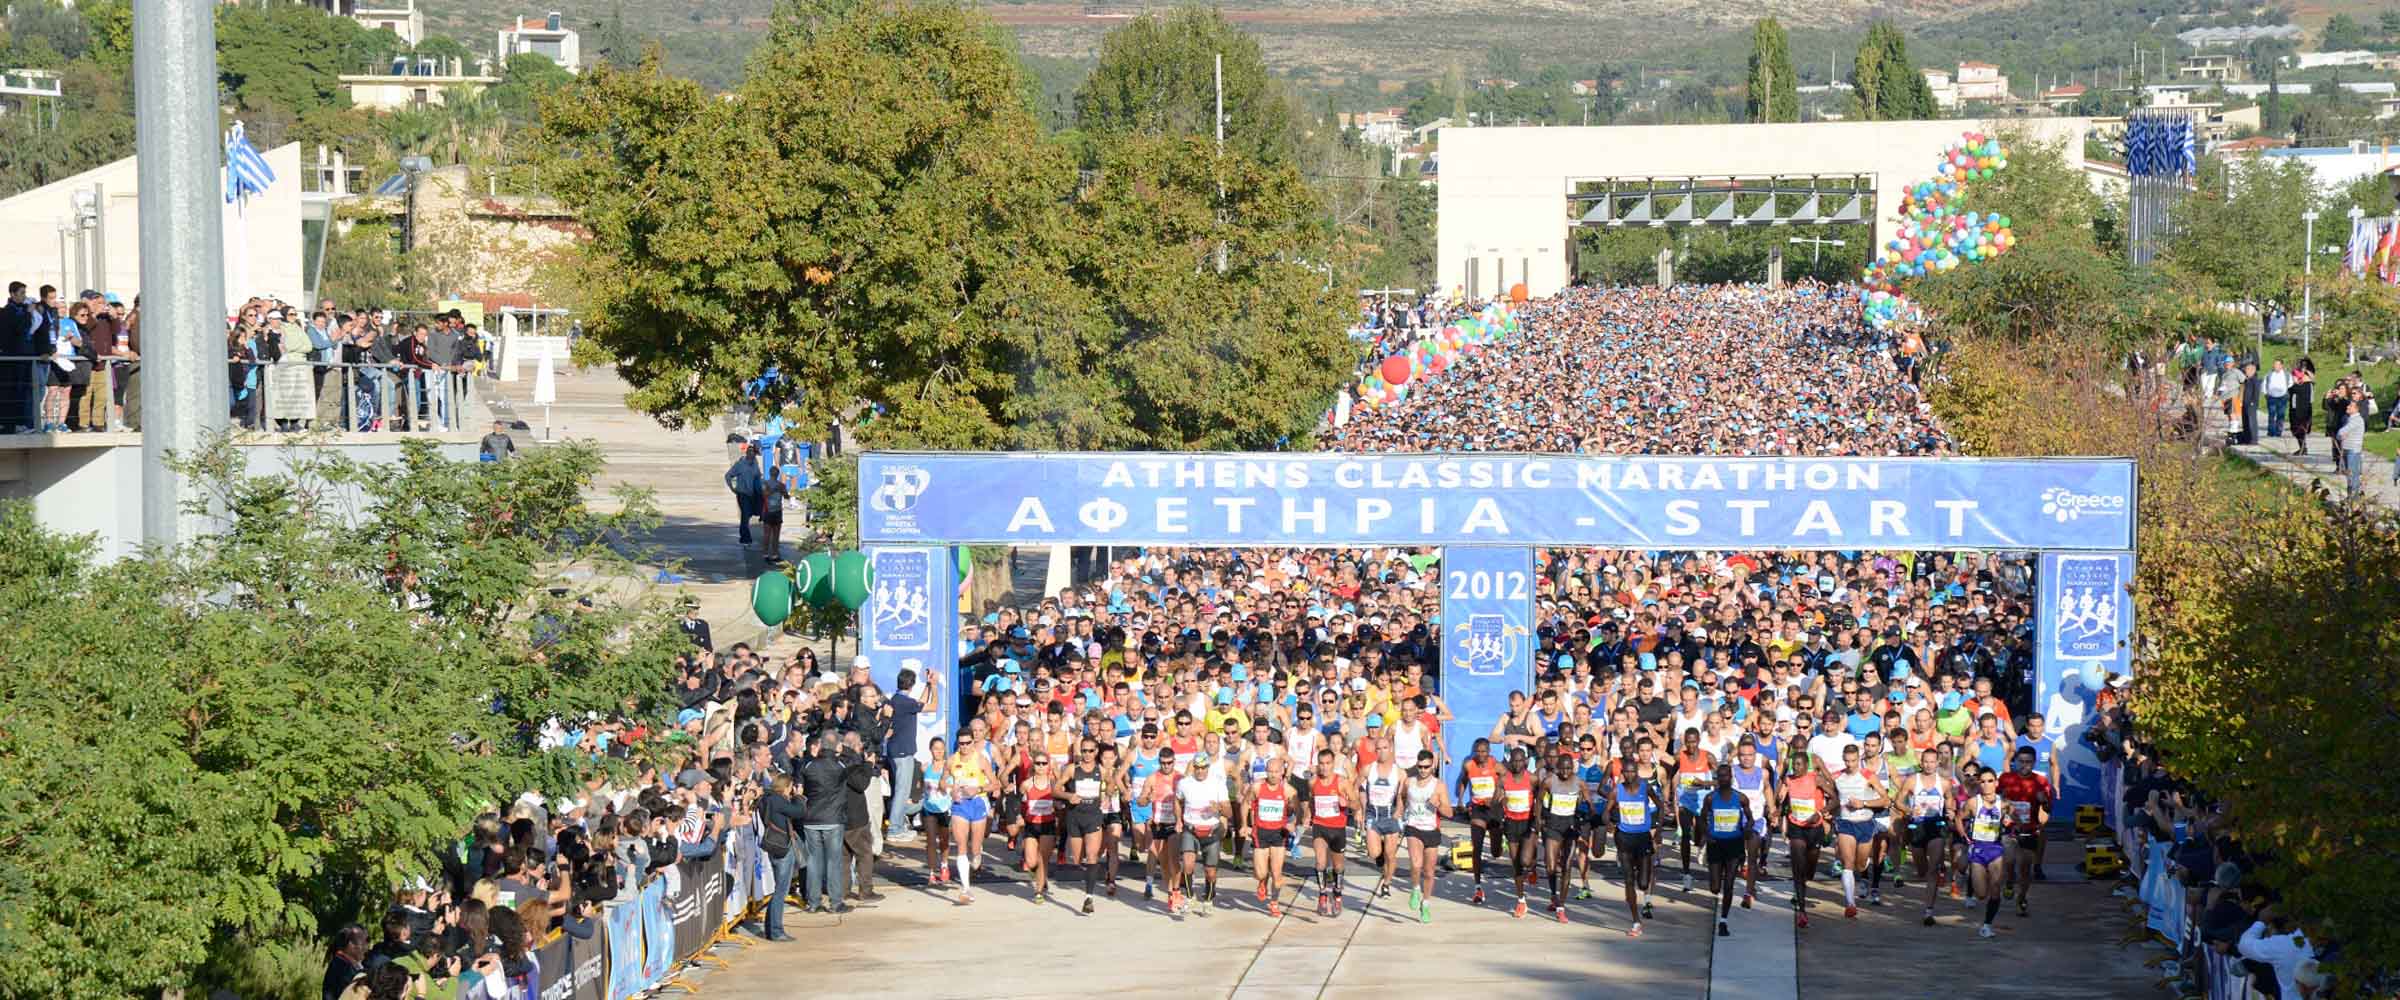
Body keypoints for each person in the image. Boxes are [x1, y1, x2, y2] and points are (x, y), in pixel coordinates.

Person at [1607, 750, 1665, 937]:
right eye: (1627, 772)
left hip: (1643, 838)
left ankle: (1643, 889)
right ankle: (1635, 921)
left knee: (1643, 882)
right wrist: (1609, 821)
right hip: (1624, 838)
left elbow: (1661, 805)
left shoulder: (1645, 788)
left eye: (1634, 772)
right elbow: (1606, 812)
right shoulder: (1617, 791)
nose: (1630, 775)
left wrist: (1657, 830)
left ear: (1637, 773)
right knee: (1629, 880)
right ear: (1623, 773)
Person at [1995, 745, 2052, 918]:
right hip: (2009, 829)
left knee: (2026, 867)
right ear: (2015, 762)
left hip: (2030, 828)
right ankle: (2010, 880)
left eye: (2028, 762)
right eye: (2021, 761)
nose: (2024, 765)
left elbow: (2048, 809)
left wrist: (2044, 802)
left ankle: (2022, 898)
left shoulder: (2040, 782)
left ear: (2034, 763)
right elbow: (1993, 801)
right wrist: (2002, 798)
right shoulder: (2005, 779)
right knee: (2010, 861)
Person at [1700, 762, 1754, 938]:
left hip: (1734, 844)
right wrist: (1706, 834)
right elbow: (1702, 819)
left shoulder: (1740, 798)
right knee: (1715, 887)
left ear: (1731, 778)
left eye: (1726, 776)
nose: (1723, 779)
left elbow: (1750, 818)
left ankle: (1723, 921)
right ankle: (1716, 888)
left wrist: (1747, 829)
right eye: (1720, 776)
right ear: (1717, 779)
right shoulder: (1710, 798)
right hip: (1716, 844)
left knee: (1729, 883)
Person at [1957, 767, 2010, 938]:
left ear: (1996, 783)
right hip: (1978, 849)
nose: (1986, 785)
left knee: (1995, 888)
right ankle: (1970, 879)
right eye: (1983, 781)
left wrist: (2010, 822)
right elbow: (1959, 818)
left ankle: (1987, 925)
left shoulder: (2004, 803)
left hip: (1995, 849)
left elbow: (2015, 819)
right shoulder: (1973, 802)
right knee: (1981, 895)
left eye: (1990, 781)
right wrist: (1965, 837)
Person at [1399, 749, 1449, 924]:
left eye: (1426, 767)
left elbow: (1449, 812)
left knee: (1428, 872)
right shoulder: (1409, 782)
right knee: (1415, 863)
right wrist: (1399, 813)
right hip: (1413, 827)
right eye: (1420, 767)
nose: (1423, 770)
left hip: (1431, 829)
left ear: (1432, 766)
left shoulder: (1439, 785)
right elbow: (1402, 796)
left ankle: (1425, 903)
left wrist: (1438, 806)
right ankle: (1415, 888)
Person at [1307, 747, 1355, 916]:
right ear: (1318, 765)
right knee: (1320, 863)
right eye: (1321, 764)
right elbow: (1312, 801)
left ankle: (1337, 893)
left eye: (1328, 763)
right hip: (1320, 826)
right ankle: (1322, 895)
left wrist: (1346, 804)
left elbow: (1356, 804)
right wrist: (1308, 816)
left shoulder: (1342, 782)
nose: (1325, 767)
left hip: (1337, 829)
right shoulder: (1313, 782)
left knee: (1338, 866)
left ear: (1333, 764)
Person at [1538, 748, 1584, 923]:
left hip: (1570, 828)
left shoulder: (1579, 783)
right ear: (1557, 767)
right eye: (1562, 768)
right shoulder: (1549, 782)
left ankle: (1561, 906)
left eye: (1568, 768)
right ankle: (1553, 894)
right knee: (1550, 867)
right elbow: (1539, 801)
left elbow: (1588, 802)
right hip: (1553, 827)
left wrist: (1587, 819)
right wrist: (1538, 820)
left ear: (1572, 768)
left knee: (1566, 866)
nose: (1565, 772)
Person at [1456, 737, 1501, 904]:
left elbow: (1505, 782)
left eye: (1484, 751)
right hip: (1477, 810)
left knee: (1496, 852)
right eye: (1478, 751)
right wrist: (1460, 800)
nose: (1480, 754)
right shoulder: (1469, 765)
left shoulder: (1496, 765)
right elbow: (1463, 780)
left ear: (1489, 752)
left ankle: (1498, 843)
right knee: (1477, 848)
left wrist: (1497, 798)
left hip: (1494, 810)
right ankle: (1478, 888)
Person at [1250, 753, 1293, 917]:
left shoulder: (1288, 790)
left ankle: (1274, 902)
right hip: (1260, 832)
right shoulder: (1257, 787)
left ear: (1282, 772)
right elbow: (1247, 804)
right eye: (1270, 771)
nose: (1273, 775)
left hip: (1278, 833)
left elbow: (1296, 809)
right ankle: (1262, 881)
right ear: (1266, 772)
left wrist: (1293, 823)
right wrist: (1245, 826)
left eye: (1276, 772)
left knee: (1277, 874)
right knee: (1261, 872)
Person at [724, 443, 765, 547]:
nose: (752, 456)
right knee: (745, 516)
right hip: (743, 494)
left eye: (754, 454)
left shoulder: (755, 463)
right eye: (750, 453)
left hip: (754, 494)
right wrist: (733, 488)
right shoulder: (740, 465)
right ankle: (745, 539)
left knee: (757, 513)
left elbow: (757, 476)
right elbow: (728, 475)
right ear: (747, 454)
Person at [2336, 402, 2368, 498]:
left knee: (2352, 474)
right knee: (2349, 475)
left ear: (2357, 409)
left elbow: (2341, 431)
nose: (2347, 407)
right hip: (2347, 449)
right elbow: (2340, 434)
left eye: (2350, 406)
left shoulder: (2357, 420)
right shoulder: (2351, 419)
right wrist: (2340, 435)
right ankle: (2351, 496)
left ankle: (2355, 497)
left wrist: (2340, 435)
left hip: (2353, 450)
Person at [2290, 358, 2317, 455]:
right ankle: (2302, 447)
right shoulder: (2296, 384)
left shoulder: (2308, 385)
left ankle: (2303, 448)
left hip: (2303, 409)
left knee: (2301, 428)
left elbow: (2297, 390)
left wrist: (2306, 378)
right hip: (2295, 407)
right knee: (2296, 428)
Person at [2263, 360, 2290, 438]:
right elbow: (2264, 384)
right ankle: (2271, 431)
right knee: (2271, 414)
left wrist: (2286, 392)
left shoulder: (2286, 374)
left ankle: (2278, 431)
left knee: (2280, 415)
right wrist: (2265, 393)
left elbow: (2290, 383)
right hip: (2271, 397)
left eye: (2277, 364)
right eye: (2274, 364)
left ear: (2281, 366)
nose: (2275, 366)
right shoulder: (2269, 374)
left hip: (2282, 397)